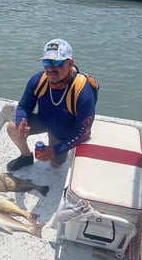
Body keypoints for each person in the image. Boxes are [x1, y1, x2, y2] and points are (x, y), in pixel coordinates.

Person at [7, 38, 99, 171]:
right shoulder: (38, 80)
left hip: (63, 134)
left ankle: (58, 157)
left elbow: (83, 133)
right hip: (44, 120)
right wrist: (22, 121)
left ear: (70, 63)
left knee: (54, 165)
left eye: (57, 62)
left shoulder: (82, 93)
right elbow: (24, 106)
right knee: (12, 128)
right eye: (46, 62)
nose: (50, 68)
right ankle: (26, 156)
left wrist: (56, 150)